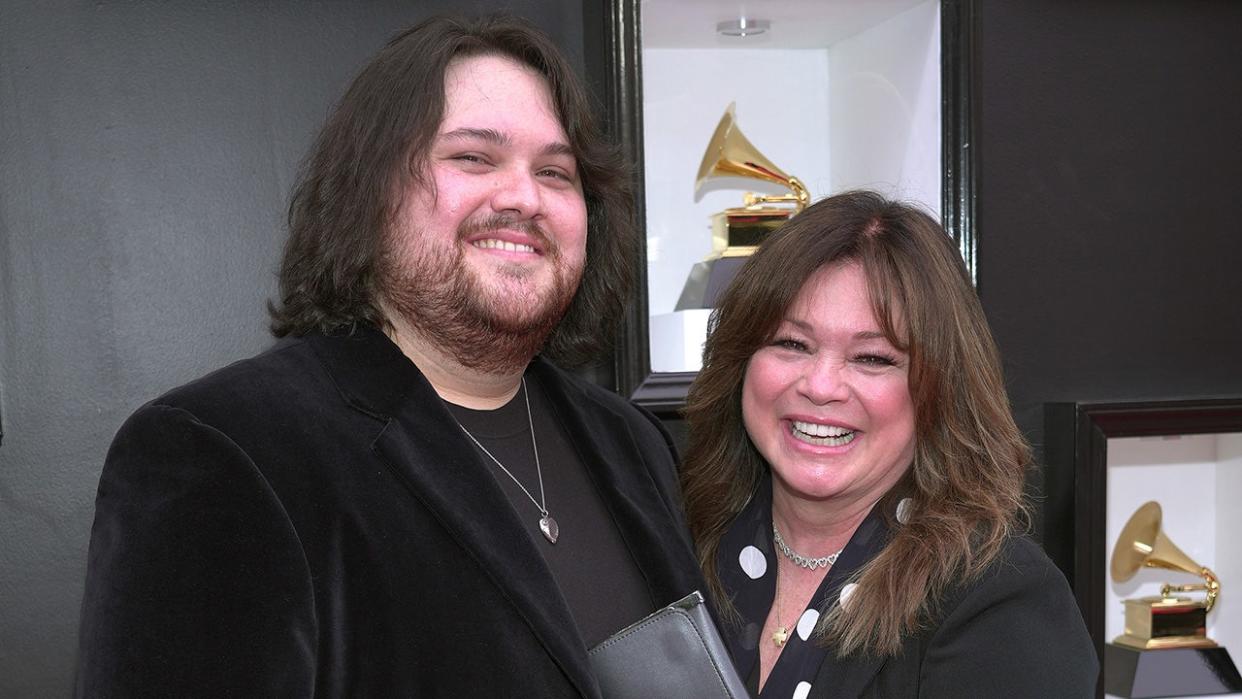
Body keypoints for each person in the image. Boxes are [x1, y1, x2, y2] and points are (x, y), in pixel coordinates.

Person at [75, 15, 704, 697]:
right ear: (369, 193)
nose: (524, 196)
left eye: (555, 172)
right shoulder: (220, 452)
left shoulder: (635, 444)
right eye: (472, 157)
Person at [681, 191, 1098, 698]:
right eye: (792, 344)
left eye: (872, 358)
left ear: (939, 389)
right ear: (740, 362)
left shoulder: (1000, 603)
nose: (821, 385)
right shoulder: (674, 545)